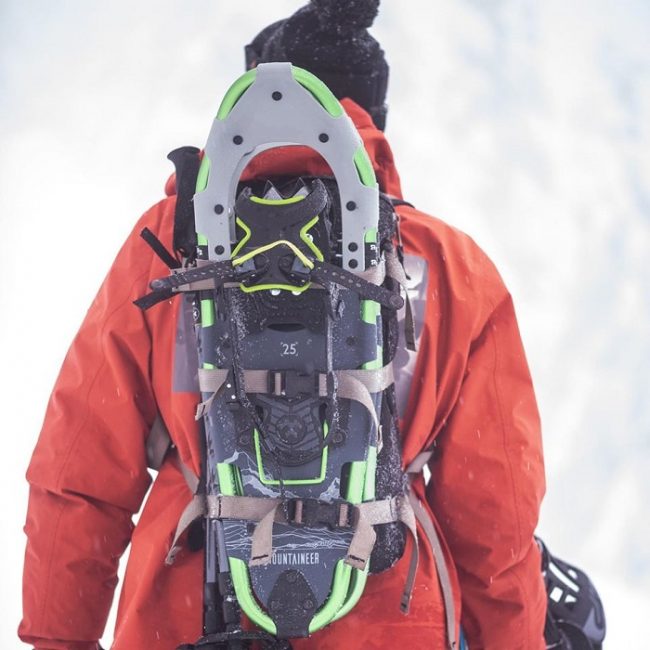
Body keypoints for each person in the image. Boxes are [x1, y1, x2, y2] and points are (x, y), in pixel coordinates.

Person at [19, 1, 547, 648]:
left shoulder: (166, 247)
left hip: (185, 620)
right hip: (387, 619)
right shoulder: (447, 263)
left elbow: (77, 477)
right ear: (370, 123)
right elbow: (498, 517)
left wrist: (57, 638)